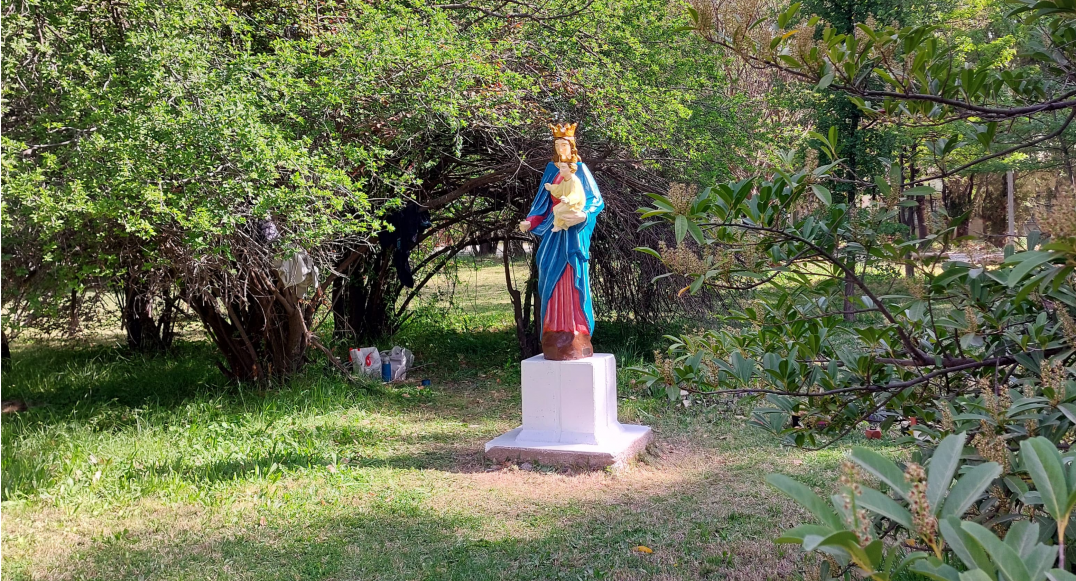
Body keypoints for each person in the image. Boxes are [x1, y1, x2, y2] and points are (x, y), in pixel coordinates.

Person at [518, 123, 604, 360]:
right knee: (547, 274)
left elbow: (595, 201)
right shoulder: (550, 170)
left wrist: (584, 215)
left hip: (573, 234)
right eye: (557, 144)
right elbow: (541, 204)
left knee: (573, 275)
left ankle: (577, 330)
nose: (561, 148)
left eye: (564, 143)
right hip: (554, 234)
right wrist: (531, 221)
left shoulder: (580, 170)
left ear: (572, 145)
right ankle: (554, 329)